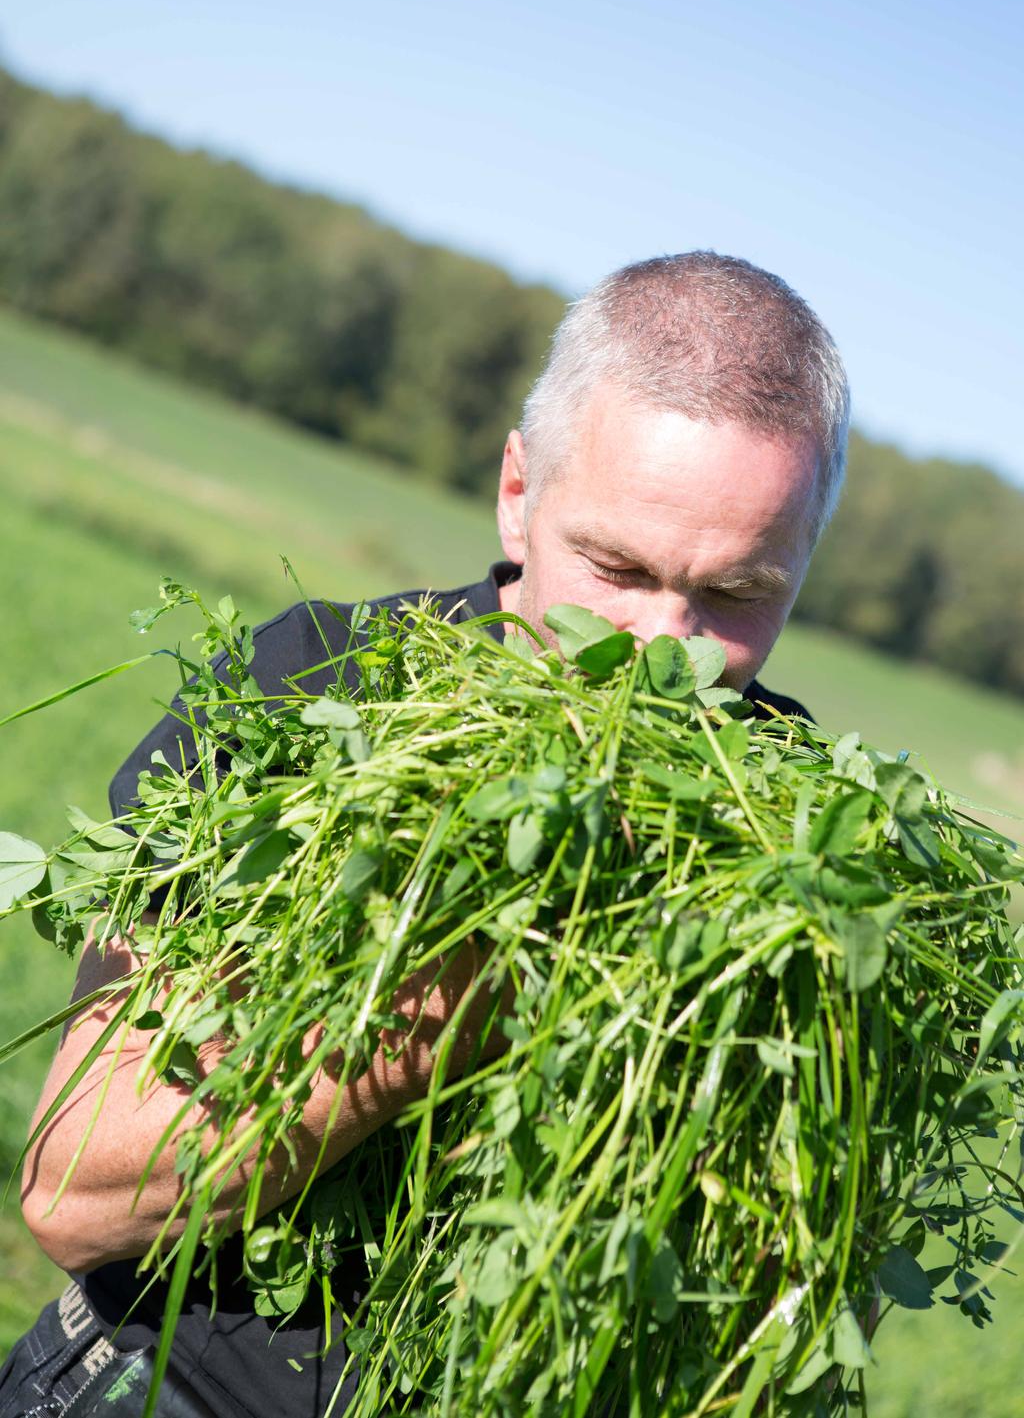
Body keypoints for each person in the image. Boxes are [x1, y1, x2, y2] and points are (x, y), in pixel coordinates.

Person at [6, 250, 849, 1417]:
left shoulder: (816, 838)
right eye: (615, 567)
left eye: (739, 593)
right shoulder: (307, 694)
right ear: (518, 491)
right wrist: (453, 1007)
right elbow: (74, 1195)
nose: (667, 650)